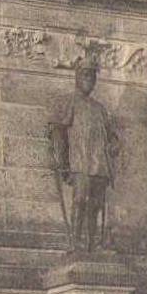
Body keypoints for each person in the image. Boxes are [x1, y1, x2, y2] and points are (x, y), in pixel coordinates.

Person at [49, 63, 119, 252]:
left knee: (96, 204)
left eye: (92, 76)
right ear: (77, 78)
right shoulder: (70, 102)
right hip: (80, 161)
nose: (89, 79)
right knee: (80, 200)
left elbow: (111, 134)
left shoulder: (100, 108)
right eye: (85, 75)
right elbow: (58, 130)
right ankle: (75, 242)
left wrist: (114, 144)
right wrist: (60, 159)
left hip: (99, 163)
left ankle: (91, 243)